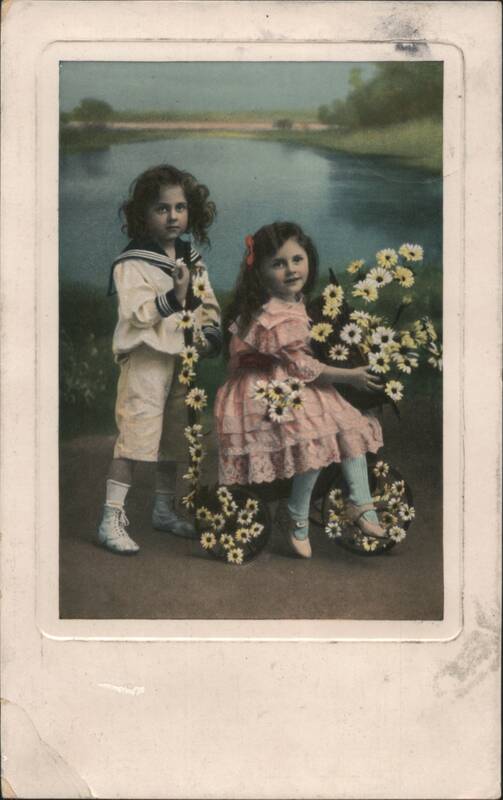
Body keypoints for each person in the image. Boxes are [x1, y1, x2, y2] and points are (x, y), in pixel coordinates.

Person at [214, 221, 387, 559]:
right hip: (261, 389)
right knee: (314, 433)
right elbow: (300, 366)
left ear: (309, 259)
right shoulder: (272, 313)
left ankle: (362, 504)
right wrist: (350, 375)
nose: (291, 269)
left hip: (289, 382)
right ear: (260, 272)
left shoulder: (298, 305)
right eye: (278, 264)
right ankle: (295, 512)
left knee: (348, 423)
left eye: (297, 259)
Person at [97, 164, 221, 555]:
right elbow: (136, 312)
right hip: (147, 360)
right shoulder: (132, 262)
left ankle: (163, 510)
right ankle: (110, 518)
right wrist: (174, 297)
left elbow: (207, 303)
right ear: (143, 214)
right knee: (135, 438)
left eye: (180, 208)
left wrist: (210, 332)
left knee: (174, 438)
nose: (172, 217)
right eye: (162, 209)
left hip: (181, 360)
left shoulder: (191, 257)